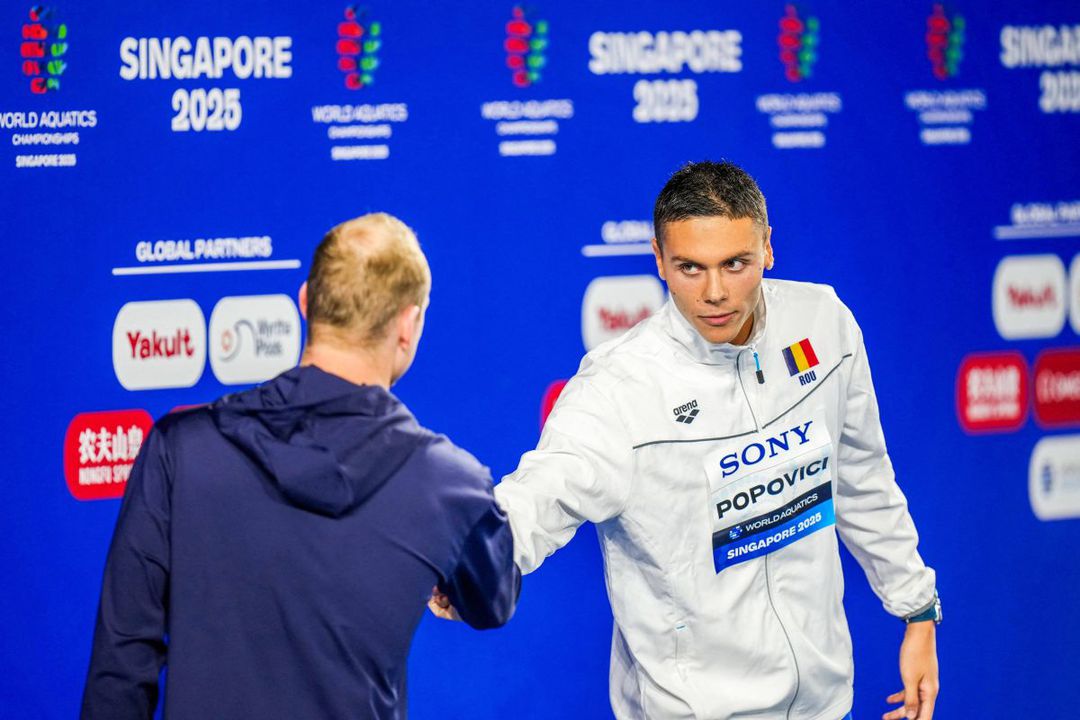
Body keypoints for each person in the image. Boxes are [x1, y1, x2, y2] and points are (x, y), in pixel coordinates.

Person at [470, 161, 940, 720]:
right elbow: (542, 491)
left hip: (825, 704)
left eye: (735, 264)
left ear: (767, 248)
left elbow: (862, 478)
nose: (715, 293)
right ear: (659, 260)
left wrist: (917, 610)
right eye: (690, 268)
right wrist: (469, 562)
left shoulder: (824, 323)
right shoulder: (619, 388)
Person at [82, 212, 520, 720]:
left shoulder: (179, 450)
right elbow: (493, 598)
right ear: (408, 325)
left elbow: (120, 670)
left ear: (307, 301)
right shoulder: (449, 486)